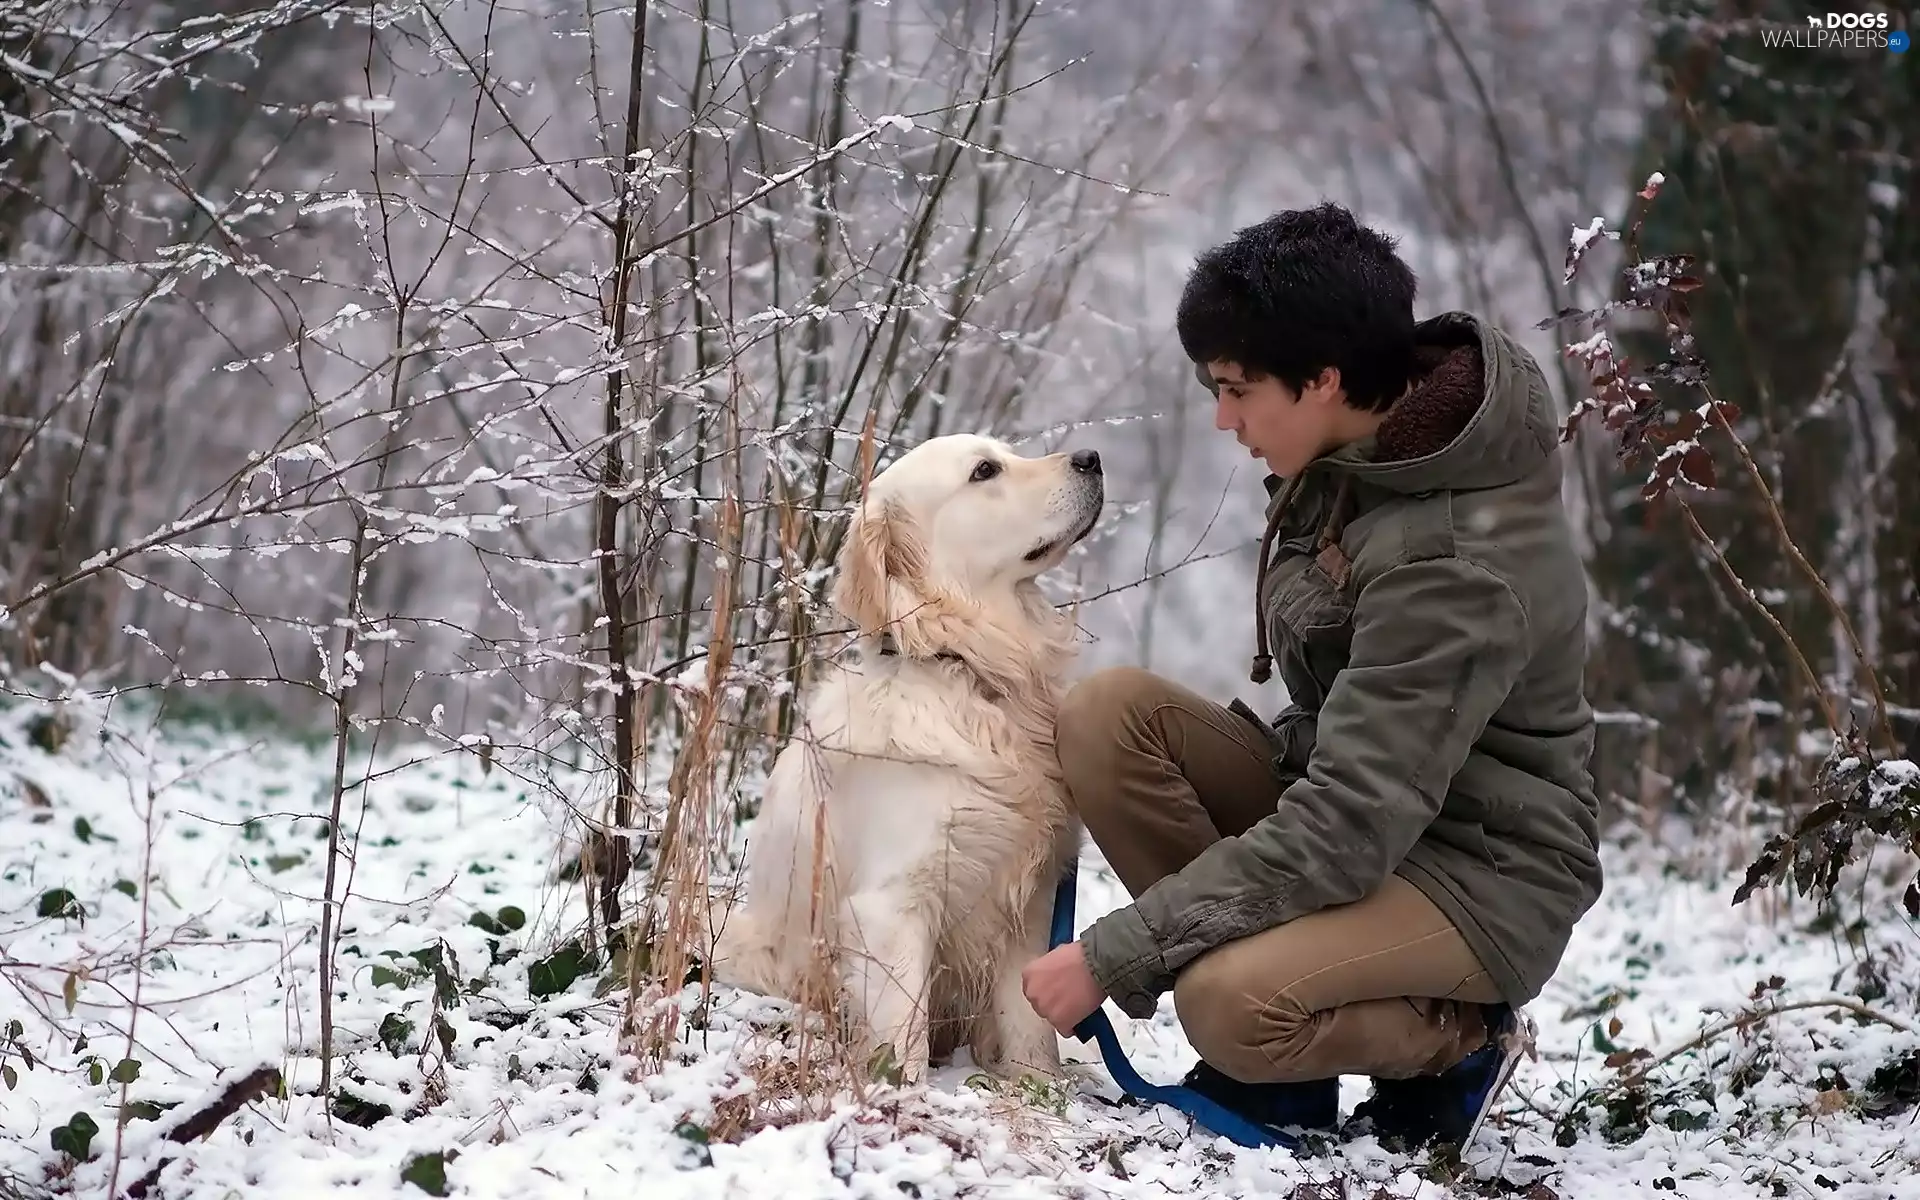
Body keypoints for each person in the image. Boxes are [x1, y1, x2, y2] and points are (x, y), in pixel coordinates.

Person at [1019, 202, 1604, 1152]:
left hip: (1479, 873)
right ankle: (1282, 1075)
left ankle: (1461, 1040)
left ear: (1324, 379)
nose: (1224, 418)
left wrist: (1112, 955)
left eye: (1238, 389)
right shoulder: (1366, 448)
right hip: (1369, 809)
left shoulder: (1449, 562)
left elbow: (1346, 830)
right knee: (1109, 718)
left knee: (1226, 1003)